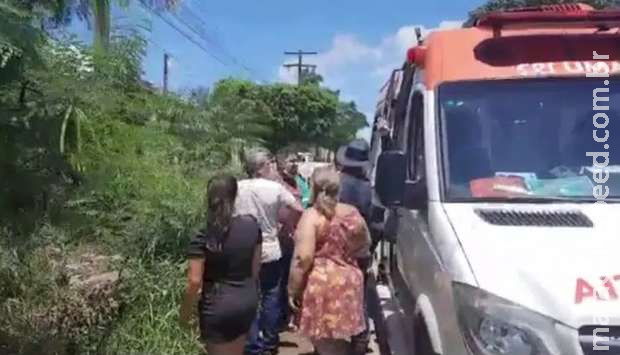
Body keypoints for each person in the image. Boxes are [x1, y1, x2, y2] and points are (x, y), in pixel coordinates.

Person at [288, 166, 371, 355]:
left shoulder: (312, 217)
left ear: (314, 188)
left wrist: (293, 289)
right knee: (338, 340)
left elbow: (303, 258)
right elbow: (364, 246)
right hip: (348, 282)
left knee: (325, 344)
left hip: (322, 285)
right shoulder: (352, 213)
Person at [180, 174, 262, 355]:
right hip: (246, 300)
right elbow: (255, 270)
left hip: (218, 306)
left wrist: (185, 314)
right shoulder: (252, 226)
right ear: (236, 196)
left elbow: (194, 282)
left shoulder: (203, 234)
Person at [237, 147, 304, 355]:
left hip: (244, 249)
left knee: (248, 296)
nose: (274, 167)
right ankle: (270, 342)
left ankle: (252, 345)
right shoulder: (275, 188)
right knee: (271, 295)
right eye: (271, 164)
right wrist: (287, 227)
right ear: (261, 167)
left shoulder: (237, 187)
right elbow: (299, 209)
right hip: (270, 249)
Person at [335, 139, 373, 355]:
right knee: (359, 297)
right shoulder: (368, 189)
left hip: (334, 250)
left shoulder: (335, 185)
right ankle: (360, 339)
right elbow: (376, 223)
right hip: (360, 251)